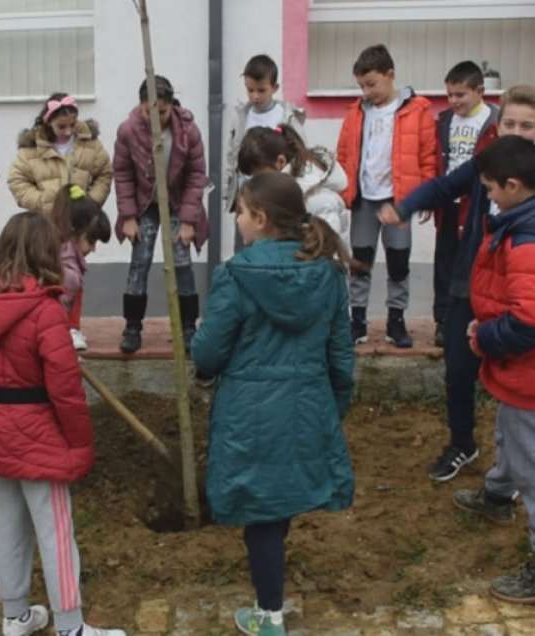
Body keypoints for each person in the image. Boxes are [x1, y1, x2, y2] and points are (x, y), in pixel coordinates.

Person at [0, 211, 126, 636]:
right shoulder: (46, 312)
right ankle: (70, 627)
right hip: (40, 435)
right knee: (55, 530)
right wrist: (80, 444)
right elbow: (65, 391)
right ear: (46, 252)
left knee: (5, 527)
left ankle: (15, 617)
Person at [191, 173, 355, 636]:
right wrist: (333, 407)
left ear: (259, 219)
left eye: (240, 212)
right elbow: (340, 353)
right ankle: (271, 602)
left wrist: (202, 348)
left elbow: (208, 353)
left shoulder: (236, 274)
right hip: (306, 403)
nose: (238, 220)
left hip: (250, 409)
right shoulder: (327, 271)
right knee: (277, 501)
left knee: (261, 507)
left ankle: (269, 615)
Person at [377, 85, 535, 481]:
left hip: (519, 295)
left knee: (519, 387)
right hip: (472, 283)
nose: (517, 131)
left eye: (528, 125)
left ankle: (514, 471)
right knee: (459, 369)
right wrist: (405, 206)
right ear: (498, 127)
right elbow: (445, 186)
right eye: (510, 122)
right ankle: (464, 443)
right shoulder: (488, 163)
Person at [464, 136, 535, 602]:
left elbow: (529, 321)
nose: (487, 196)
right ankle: (496, 494)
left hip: (528, 376)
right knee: (510, 438)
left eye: (490, 188)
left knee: (531, 468)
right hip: (518, 377)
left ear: (512, 185)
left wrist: (483, 338)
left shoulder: (526, 241)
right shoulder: (515, 223)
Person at [337, 44, 437, 348]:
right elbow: (343, 155)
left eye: (372, 84)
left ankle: (396, 320)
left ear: (390, 75)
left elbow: (428, 157)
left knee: (398, 262)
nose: (367, 92)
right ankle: (357, 320)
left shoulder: (417, 109)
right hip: (364, 200)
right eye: (361, 86)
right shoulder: (355, 112)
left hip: (399, 201)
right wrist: (343, 193)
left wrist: (425, 197)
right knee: (360, 260)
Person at [113, 75, 208, 354]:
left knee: (182, 263)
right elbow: (122, 173)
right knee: (139, 263)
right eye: (149, 112)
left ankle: (189, 326)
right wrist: (128, 216)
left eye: (163, 112)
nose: (157, 118)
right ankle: (132, 327)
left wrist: (189, 221)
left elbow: (196, 175)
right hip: (145, 206)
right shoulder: (128, 131)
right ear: (141, 106)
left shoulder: (188, 131)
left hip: (178, 204)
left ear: (172, 106)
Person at [431, 61, 499, 347]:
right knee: (444, 260)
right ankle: (442, 321)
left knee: (472, 261)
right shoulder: (445, 120)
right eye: (450, 95)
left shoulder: (494, 120)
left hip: (478, 201)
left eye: (460, 95)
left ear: (480, 91)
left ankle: (473, 317)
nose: (454, 101)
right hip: (449, 201)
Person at [223, 54, 307, 255]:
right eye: (250, 90)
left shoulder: (287, 116)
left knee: (276, 245)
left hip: (276, 196)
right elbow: (231, 155)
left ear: (275, 88)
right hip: (247, 194)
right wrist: (230, 191)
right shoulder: (241, 116)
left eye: (261, 90)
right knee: (245, 248)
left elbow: (300, 154)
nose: (255, 96)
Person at [237, 124, 349, 245]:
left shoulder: (318, 200)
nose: (256, 181)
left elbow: (327, 251)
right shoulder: (280, 194)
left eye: (259, 174)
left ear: (280, 162)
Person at [8, 92, 112, 215]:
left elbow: (104, 174)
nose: (68, 132)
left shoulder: (90, 143)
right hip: (47, 223)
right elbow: (17, 180)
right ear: (48, 122)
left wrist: (90, 203)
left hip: (83, 222)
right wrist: (41, 202)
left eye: (72, 125)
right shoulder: (31, 148)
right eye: (61, 127)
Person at [50, 184, 111, 351]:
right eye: (91, 241)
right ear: (75, 231)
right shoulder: (68, 273)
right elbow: (53, 312)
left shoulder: (60, 253)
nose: (93, 249)